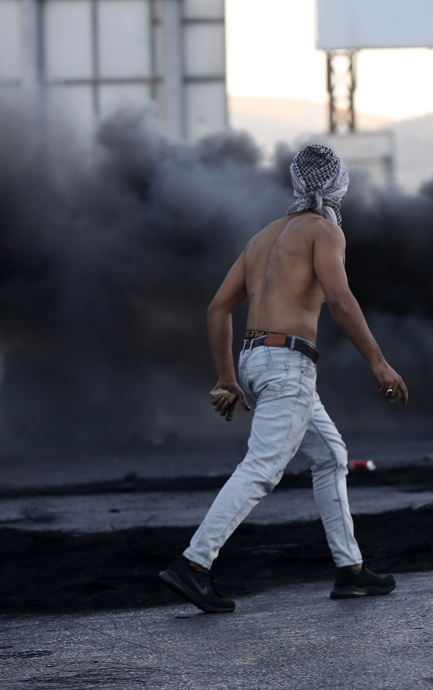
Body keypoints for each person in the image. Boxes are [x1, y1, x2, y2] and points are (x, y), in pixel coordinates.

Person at [158, 144, 409, 613]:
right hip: (288, 366)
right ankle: (193, 565)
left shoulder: (263, 237)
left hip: (256, 361)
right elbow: (340, 299)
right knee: (262, 468)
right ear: (339, 187)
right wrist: (379, 361)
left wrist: (227, 378)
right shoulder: (325, 232)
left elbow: (217, 308)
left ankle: (350, 571)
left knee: (331, 455)